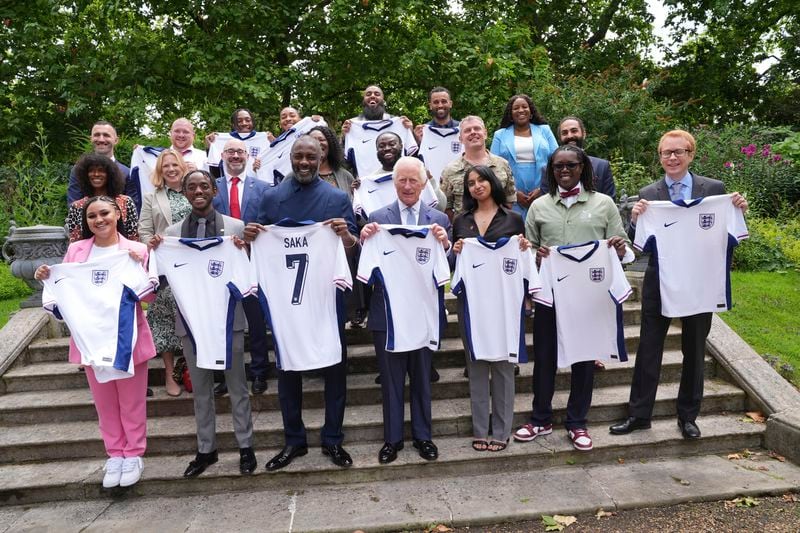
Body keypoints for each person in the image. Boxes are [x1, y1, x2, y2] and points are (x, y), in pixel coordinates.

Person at [609, 129, 748, 440]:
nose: (672, 158)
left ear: (691, 154)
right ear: (659, 157)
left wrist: (738, 209)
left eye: (678, 152)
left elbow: (730, 238)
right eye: (666, 153)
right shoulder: (649, 193)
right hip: (660, 281)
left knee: (695, 350)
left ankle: (688, 417)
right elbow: (639, 246)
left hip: (701, 281)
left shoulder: (714, 189)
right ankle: (639, 414)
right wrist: (635, 220)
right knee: (648, 349)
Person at [244, 135, 358, 471]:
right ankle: (294, 439)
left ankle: (332, 438)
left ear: (322, 155)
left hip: (325, 295)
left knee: (335, 366)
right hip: (286, 300)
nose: (304, 163)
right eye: (299, 157)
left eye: (311, 156)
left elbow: (352, 245)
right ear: (290, 158)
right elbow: (260, 245)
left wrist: (345, 235)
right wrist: (251, 238)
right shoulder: (271, 197)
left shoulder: (337, 197)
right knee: (287, 367)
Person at [514, 145, 632, 452]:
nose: (564, 171)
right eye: (558, 167)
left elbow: (625, 250)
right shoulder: (539, 207)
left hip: (589, 297)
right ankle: (540, 418)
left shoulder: (604, 204)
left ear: (583, 168)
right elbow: (529, 253)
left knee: (583, 359)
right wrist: (537, 256)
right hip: (550, 296)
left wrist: (619, 249)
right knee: (544, 358)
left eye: (570, 165)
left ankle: (577, 421)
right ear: (551, 171)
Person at [36, 196, 156, 488]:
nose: (98, 220)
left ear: (117, 214)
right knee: (105, 404)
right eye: (92, 216)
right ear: (85, 222)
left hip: (128, 339)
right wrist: (47, 277)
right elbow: (66, 288)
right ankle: (114, 453)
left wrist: (140, 268)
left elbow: (150, 295)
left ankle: (134, 454)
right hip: (90, 339)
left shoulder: (136, 249)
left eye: (104, 213)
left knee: (131, 401)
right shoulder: (76, 251)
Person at [151, 170, 257, 478]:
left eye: (204, 186)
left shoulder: (235, 227)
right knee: (201, 391)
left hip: (228, 321)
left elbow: (248, 272)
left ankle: (246, 446)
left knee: (237, 386)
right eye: (192, 187)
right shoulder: (171, 234)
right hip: (191, 324)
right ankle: (206, 449)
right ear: (184, 193)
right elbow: (160, 279)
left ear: (214, 190)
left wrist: (244, 249)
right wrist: (155, 250)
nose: (198, 190)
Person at [359, 156, 451, 464]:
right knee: (391, 380)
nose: (408, 186)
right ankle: (392, 439)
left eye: (414, 180)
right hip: (387, 313)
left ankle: (424, 437)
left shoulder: (439, 219)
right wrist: (363, 242)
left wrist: (446, 246)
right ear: (393, 182)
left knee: (423, 378)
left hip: (425, 313)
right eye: (402, 180)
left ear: (425, 184)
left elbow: (447, 270)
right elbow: (367, 269)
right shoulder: (376, 218)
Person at [451, 165, 531, 452]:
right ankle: (479, 429)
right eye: (471, 182)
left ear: (492, 182)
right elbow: (452, 263)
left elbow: (523, 258)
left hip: (504, 304)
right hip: (472, 305)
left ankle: (501, 429)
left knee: (503, 368)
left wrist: (523, 247)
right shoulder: (461, 220)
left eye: (482, 179)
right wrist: (455, 252)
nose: (476, 186)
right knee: (476, 367)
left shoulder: (513, 219)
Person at [211, 139, 272, 396]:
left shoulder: (265, 188)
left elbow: (270, 223)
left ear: (247, 155)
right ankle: (225, 374)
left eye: (240, 152)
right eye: (230, 152)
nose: (235, 156)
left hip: (253, 261)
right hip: (221, 264)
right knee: (223, 320)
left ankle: (259, 371)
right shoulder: (211, 188)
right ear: (222, 155)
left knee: (256, 319)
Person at [138, 149, 191, 397]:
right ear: (160, 171)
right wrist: (152, 242)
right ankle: (170, 373)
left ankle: (193, 369)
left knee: (192, 315)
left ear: (182, 166)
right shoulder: (152, 197)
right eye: (165, 166)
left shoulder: (195, 189)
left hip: (194, 263)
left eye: (174, 164)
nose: (170, 169)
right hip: (164, 265)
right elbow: (144, 231)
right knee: (162, 317)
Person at [308, 125, 368, 329]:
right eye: (314, 139)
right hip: (313, 244)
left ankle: (355, 311)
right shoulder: (300, 175)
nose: (319, 143)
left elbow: (355, 208)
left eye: (323, 139)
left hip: (342, 239)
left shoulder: (345, 175)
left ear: (330, 144)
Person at [490, 94, 557, 216]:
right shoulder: (499, 135)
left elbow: (557, 160)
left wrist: (542, 189)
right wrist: (513, 193)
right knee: (516, 232)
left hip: (543, 193)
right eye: (516, 108)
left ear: (531, 111)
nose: (521, 110)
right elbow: (493, 166)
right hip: (511, 196)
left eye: (524, 106)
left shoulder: (545, 130)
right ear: (510, 114)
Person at [440, 115, 516, 219]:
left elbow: (509, 200)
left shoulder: (502, 164)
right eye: (467, 130)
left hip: (499, 230)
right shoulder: (450, 170)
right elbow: (446, 207)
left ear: (485, 133)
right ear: (460, 139)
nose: (473, 132)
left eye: (477, 128)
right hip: (465, 232)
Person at [342, 85, 417, 178]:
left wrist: (410, 132)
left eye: (377, 94)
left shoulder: (399, 123)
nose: (372, 96)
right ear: (363, 100)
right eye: (368, 94)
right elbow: (344, 163)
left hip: (397, 183)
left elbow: (414, 158)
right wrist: (344, 137)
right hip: (367, 187)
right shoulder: (351, 126)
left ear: (383, 99)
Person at [67, 121, 141, 211]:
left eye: (106, 135)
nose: (101, 139)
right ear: (91, 138)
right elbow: (73, 206)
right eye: (97, 135)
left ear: (116, 140)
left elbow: (133, 210)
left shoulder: (128, 173)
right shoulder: (78, 170)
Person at [66, 153, 139, 244]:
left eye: (101, 170)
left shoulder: (126, 202)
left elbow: (133, 236)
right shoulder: (77, 206)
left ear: (110, 174)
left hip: (122, 255)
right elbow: (75, 241)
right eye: (91, 171)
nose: (96, 174)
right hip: (88, 256)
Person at [540, 116, 616, 199]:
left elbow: (610, 203)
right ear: (560, 138)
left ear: (584, 134)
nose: (569, 136)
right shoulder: (548, 169)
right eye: (564, 133)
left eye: (574, 131)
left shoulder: (602, 166)